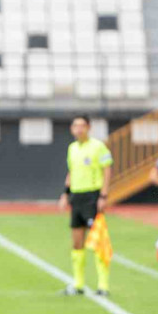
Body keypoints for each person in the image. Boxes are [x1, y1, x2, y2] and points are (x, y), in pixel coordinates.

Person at [58, 115, 113, 296]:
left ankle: (103, 286)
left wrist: (103, 195)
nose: (79, 129)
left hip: (93, 195)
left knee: (97, 241)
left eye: (82, 125)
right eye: (75, 126)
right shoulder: (72, 148)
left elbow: (107, 170)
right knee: (77, 241)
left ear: (88, 127)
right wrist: (66, 194)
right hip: (77, 196)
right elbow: (71, 171)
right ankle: (78, 284)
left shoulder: (98, 146)